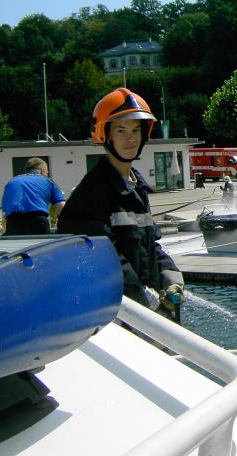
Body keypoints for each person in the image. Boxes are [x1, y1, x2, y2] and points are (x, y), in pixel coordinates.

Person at [58, 87, 184, 316]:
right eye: (121, 130)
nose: (130, 138)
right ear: (105, 134)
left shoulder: (137, 188)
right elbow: (103, 262)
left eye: (136, 129)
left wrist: (170, 277)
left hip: (148, 314)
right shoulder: (92, 193)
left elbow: (150, 247)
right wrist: (145, 305)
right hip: (118, 318)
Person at [1, 157, 66, 235]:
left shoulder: (11, 182)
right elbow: (62, 209)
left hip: (13, 223)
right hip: (37, 222)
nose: (47, 174)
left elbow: (5, 211)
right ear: (42, 170)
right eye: (47, 172)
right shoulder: (48, 181)